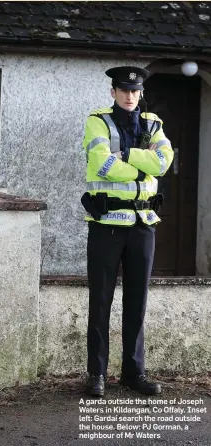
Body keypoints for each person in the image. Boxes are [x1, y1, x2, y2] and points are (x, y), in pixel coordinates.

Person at [81, 66, 174, 397]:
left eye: (135, 91)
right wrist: (140, 169)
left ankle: (134, 373)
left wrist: (129, 156)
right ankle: (97, 375)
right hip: (107, 225)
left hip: (143, 226)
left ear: (140, 93)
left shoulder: (153, 124)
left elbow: (163, 163)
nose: (130, 96)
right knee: (101, 301)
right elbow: (101, 164)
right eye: (123, 90)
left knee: (137, 303)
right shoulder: (98, 122)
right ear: (113, 93)